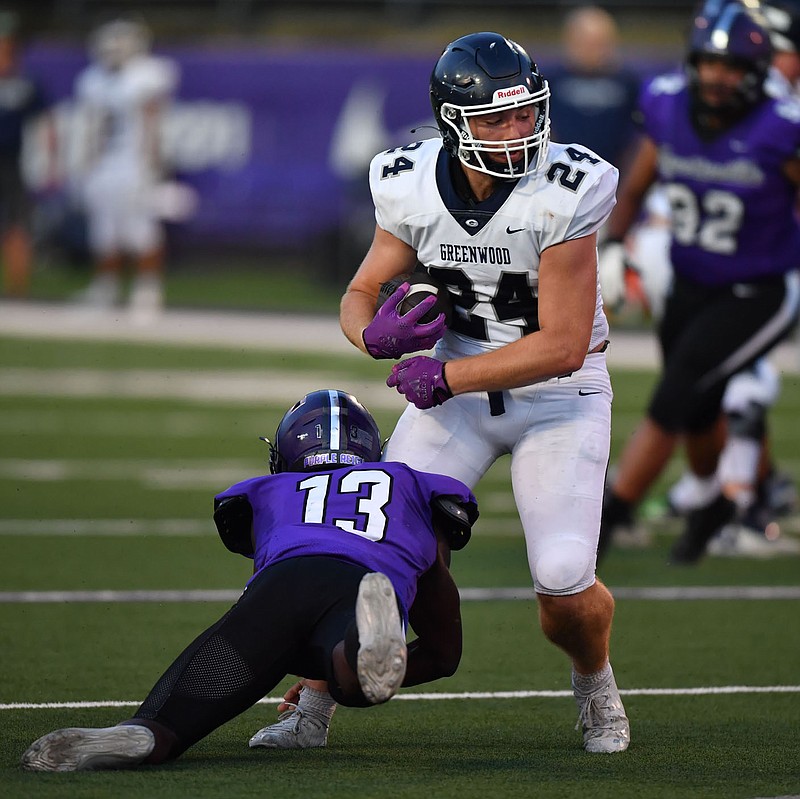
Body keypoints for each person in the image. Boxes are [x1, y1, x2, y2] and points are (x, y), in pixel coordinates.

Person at [253, 31, 631, 755]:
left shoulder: (569, 185)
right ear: (453, 121)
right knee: (362, 548)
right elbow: (360, 291)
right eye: (495, 119)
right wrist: (375, 338)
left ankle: (595, 679)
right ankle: (315, 703)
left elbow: (562, 345)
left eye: (525, 114)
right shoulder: (410, 179)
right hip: (452, 392)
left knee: (561, 580)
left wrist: (446, 373)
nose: (517, 132)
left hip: (561, 394)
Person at [21, 389, 478, 772]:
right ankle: (358, 653)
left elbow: (267, 561)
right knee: (353, 677)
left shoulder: (265, 492)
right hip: (363, 580)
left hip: (279, 586)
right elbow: (442, 651)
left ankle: (143, 732)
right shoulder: (412, 484)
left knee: (184, 710)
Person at [596, 0, 800, 564]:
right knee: (698, 408)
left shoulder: (781, 129)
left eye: (731, 66)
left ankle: (613, 511)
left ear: (755, 73)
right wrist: (615, 244)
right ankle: (713, 504)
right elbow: (635, 187)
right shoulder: (666, 106)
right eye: (708, 63)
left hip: (757, 291)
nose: (717, 77)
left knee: (676, 391)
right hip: (689, 280)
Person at [71, 17, 178, 322]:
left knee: (141, 227)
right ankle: (106, 288)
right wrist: (87, 163)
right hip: (104, 164)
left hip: (134, 163)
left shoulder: (147, 76)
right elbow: (90, 126)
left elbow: (152, 122)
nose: (114, 52)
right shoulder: (92, 79)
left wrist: (154, 162)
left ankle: (147, 292)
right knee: (103, 229)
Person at [546, 6, 641, 180]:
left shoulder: (629, 85)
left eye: (600, 43)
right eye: (585, 42)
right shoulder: (550, 83)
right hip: (560, 176)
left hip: (614, 177)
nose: (593, 50)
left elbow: (636, 139)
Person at [0, 10, 50, 297]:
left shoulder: (26, 83)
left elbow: (44, 123)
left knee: (16, 224)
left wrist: (47, 161)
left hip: (10, 160)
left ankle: (18, 289)